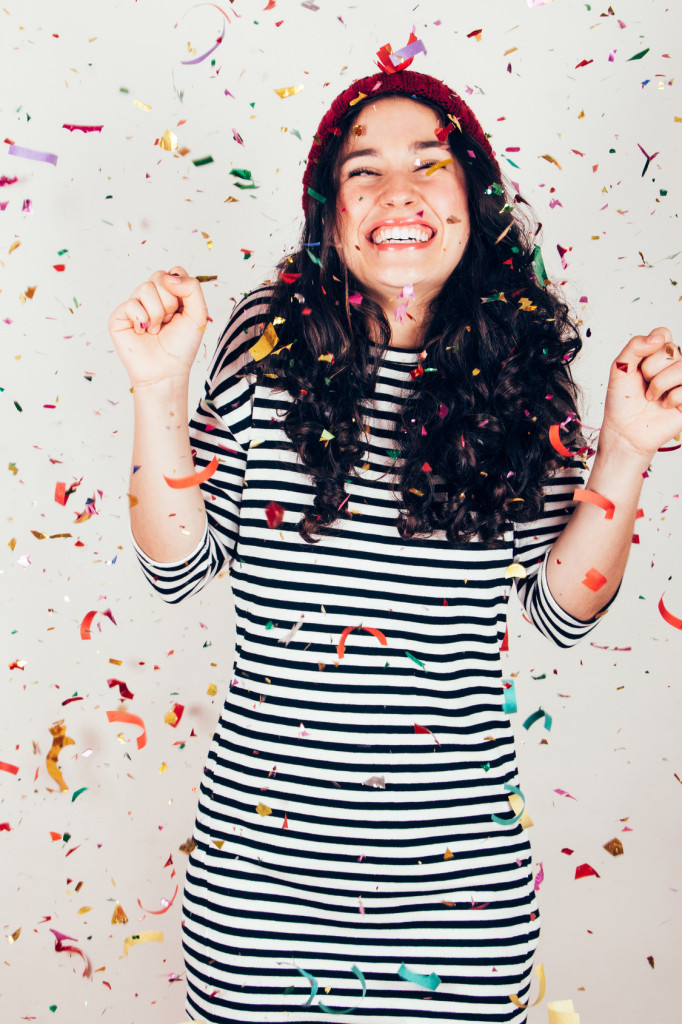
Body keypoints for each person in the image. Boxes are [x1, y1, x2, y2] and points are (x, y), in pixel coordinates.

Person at [108, 68, 681, 1024]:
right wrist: (157, 391)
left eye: (431, 163)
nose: (397, 192)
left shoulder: (524, 371)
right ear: (330, 215)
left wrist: (623, 448)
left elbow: (561, 611)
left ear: (474, 197)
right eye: (361, 171)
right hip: (261, 893)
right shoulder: (268, 343)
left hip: (461, 901)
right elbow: (178, 565)